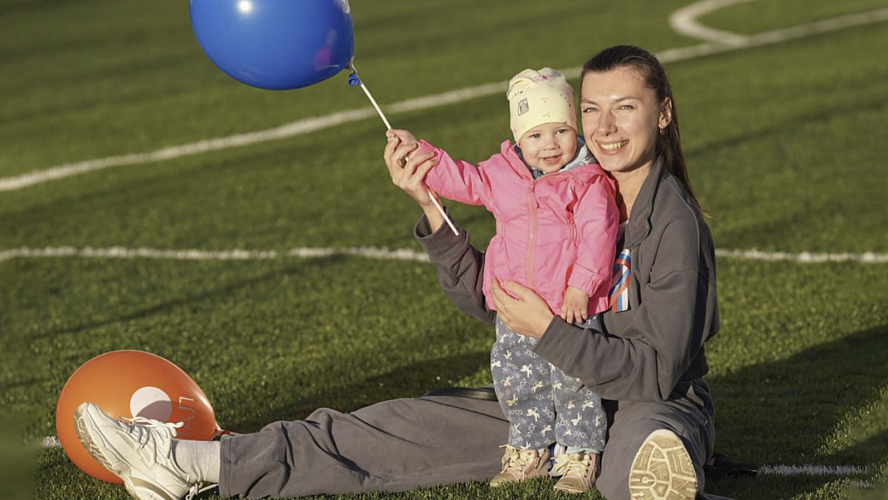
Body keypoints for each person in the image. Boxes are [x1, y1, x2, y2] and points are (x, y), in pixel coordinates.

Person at [72, 44, 727, 500]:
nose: (605, 127)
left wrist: (551, 332)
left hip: (650, 402)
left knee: (639, 459)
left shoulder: (673, 224)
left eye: (626, 108)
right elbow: (492, 302)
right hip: (549, 401)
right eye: (591, 109)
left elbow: (658, 371)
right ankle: (188, 461)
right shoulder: (563, 191)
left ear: (663, 113)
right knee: (398, 425)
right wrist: (432, 210)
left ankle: (655, 468)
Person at [385, 67, 619, 493]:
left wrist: (580, 287)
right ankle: (528, 448)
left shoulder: (586, 182)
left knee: (574, 384)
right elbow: (462, 180)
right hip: (512, 307)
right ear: (517, 137)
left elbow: (598, 236)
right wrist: (421, 154)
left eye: (560, 131)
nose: (549, 145)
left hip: (568, 308)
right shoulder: (502, 174)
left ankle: (578, 452)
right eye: (536, 135)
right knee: (515, 378)